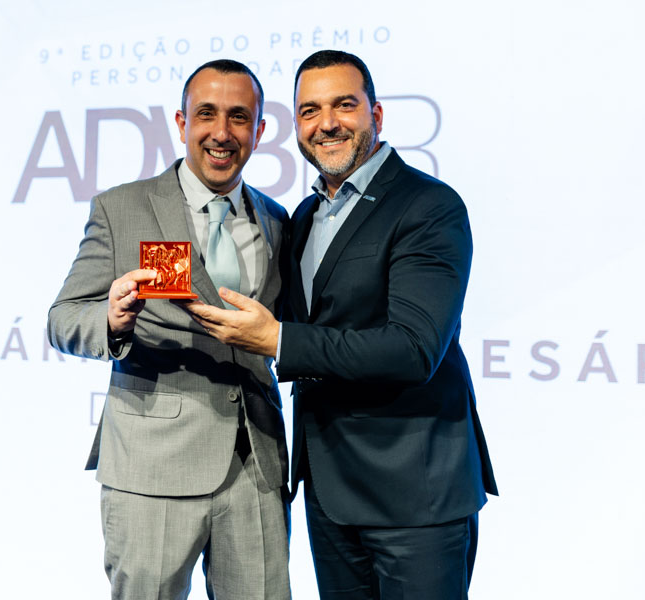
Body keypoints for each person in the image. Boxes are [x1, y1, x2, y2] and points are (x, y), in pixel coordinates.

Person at [182, 50, 498, 599]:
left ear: (377, 114)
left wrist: (279, 339)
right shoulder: (303, 217)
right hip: (329, 493)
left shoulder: (428, 205)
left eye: (344, 105)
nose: (326, 123)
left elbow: (414, 349)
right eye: (310, 110)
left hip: (415, 495)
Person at [47, 59, 291, 600]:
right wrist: (111, 320)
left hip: (256, 466)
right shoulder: (122, 208)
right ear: (181, 123)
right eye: (206, 114)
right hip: (152, 471)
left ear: (259, 131)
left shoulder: (277, 219)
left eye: (238, 117)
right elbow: (63, 318)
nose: (221, 132)